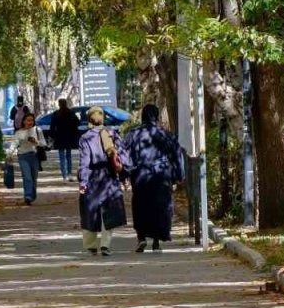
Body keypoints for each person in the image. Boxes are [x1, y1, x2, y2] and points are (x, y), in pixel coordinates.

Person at [123, 103, 183, 252]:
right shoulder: (166, 134)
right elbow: (177, 155)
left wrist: (124, 174)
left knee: (141, 207)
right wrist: (178, 175)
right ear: (157, 116)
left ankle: (141, 237)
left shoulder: (133, 134)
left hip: (141, 175)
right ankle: (156, 241)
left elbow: (124, 155)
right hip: (162, 175)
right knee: (160, 207)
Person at [77, 106, 127, 256]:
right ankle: (105, 245)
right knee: (109, 211)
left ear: (89, 119)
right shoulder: (112, 133)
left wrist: (83, 182)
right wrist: (124, 176)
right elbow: (122, 156)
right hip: (110, 177)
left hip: (93, 178)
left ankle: (91, 245)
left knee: (90, 211)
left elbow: (85, 162)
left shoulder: (85, 138)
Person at [13, 112, 44, 205]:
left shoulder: (37, 130)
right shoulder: (19, 132)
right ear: (24, 121)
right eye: (28, 120)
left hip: (34, 156)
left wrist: (36, 142)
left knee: (33, 177)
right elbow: (14, 143)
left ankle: (32, 195)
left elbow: (43, 143)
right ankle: (28, 196)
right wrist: (9, 153)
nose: (30, 122)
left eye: (32, 120)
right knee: (27, 177)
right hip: (22, 156)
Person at [48, 98, 81, 181]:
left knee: (62, 157)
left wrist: (53, 136)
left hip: (60, 137)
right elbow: (77, 123)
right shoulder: (71, 113)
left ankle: (64, 176)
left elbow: (52, 127)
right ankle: (69, 174)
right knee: (69, 156)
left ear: (59, 104)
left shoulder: (56, 114)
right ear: (66, 104)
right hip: (69, 137)